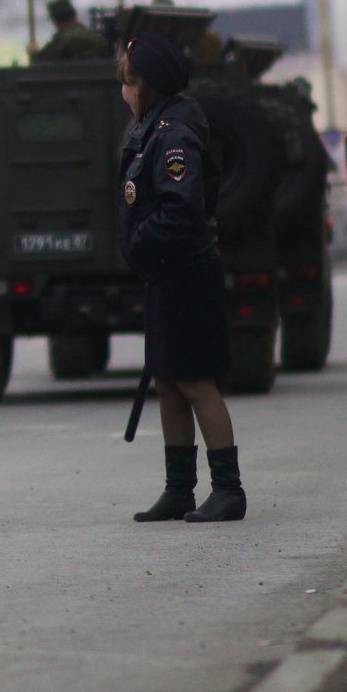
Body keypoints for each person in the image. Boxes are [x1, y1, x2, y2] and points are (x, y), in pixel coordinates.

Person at [118, 32, 248, 524]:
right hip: (166, 274)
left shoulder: (173, 133)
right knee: (168, 382)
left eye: (126, 81)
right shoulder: (152, 127)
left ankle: (228, 490)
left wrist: (144, 242)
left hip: (185, 272)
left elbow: (181, 207)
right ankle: (179, 489)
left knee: (195, 381)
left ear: (143, 85)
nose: (122, 90)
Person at [34, 0, 111, 62]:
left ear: (56, 22)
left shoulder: (62, 41)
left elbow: (40, 62)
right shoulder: (98, 38)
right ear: (75, 16)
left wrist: (33, 53)